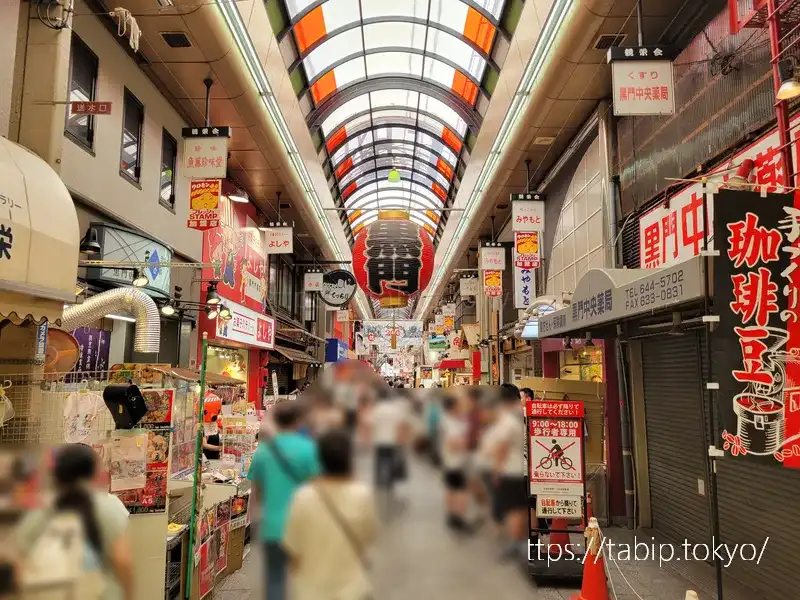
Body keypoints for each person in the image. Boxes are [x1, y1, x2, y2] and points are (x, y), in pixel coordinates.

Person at [13, 444, 133, 600]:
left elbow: (19, 564)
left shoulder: (39, 512)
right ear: (94, 473)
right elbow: (122, 560)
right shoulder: (109, 506)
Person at [283, 429, 379, 600]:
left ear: (320, 459)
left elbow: (293, 550)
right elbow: (369, 536)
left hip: (311, 591)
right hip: (351, 590)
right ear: (350, 457)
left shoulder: (303, 496)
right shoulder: (361, 495)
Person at [247, 402, 320, 600]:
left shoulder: (263, 451)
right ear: (299, 422)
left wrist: (256, 524)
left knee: (274, 580)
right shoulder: (310, 449)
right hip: (304, 526)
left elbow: (256, 494)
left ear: (276, 422)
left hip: (272, 526)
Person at [490, 383, 529, 560]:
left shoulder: (508, 419)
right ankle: (522, 543)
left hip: (510, 469)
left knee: (510, 508)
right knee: (521, 507)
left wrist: (497, 471)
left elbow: (502, 447)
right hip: (524, 467)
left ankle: (513, 545)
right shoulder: (524, 415)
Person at [440, 394, 472, 532]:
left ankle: (452, 515)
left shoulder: (448, 419)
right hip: (455, 461)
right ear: (453, 407)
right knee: (460, 490)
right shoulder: (450, 422)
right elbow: (452, 443)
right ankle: (458, 518)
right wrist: (466, 444)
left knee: (451, 488)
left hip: (450, 461)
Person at [369, 386, 411, 494]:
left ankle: (379, 482)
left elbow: (371, 424)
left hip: (379, 440)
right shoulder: (395, 409)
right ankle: (389, 483)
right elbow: (401, 425)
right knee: (391, 461)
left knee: (379, 462)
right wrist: (401, 438)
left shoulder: (376, 408)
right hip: (392, 440)